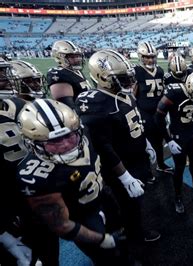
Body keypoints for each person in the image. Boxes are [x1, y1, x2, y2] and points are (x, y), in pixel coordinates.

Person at [16, 99, 125, 266]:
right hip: (82, 217)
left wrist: (125, 177)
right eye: (54, 141)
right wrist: (101, 239)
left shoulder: (81, 133)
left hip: (101, 194)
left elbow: (103, 150)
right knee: (107, 257)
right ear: (31, 144)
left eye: (68, 135)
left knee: (121, 237)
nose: (67, 144)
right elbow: (62, 225)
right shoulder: (36, 178)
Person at [76, 49, 160, 243]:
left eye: (128, 77)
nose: (129, 83)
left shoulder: (123, 94)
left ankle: (130, 228)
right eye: (121, 78)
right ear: (102, 77)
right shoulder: (95, 103)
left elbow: (135, 122)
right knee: (126, 203)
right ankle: (133, 238)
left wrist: (145, 143)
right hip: (120, 164)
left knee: (136, 201)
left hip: (136, 157)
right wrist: (124, 176)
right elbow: (103, 145)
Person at [155, 70, 193, 214]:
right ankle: (178, 197)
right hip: (178, 136)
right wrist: (168, 140)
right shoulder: (174, 92)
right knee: (179, 168)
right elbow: (158, 117)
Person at [0, 58, 32, 266]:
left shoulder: (18, 104)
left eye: (4, 73)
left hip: (32, 190)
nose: (5, 79)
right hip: (5, 202)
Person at [134, 41, 173, 177]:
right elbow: (133, 96)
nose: (150, 59)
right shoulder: (136, 71)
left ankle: (161, 165)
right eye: (147, 57)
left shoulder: (160, 71)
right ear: (141, 57)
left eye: (152, 56)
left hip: (159, 113)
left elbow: (163, 93)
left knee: (159, 140)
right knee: (146, 144)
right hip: (144, 113)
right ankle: (148, 171)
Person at [47, 40, 92, 108]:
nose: (78, 59)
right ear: (60, 57)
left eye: (78, 56)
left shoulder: (76, 71)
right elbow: (67, 106)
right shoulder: (59, 73)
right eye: (72, 57)